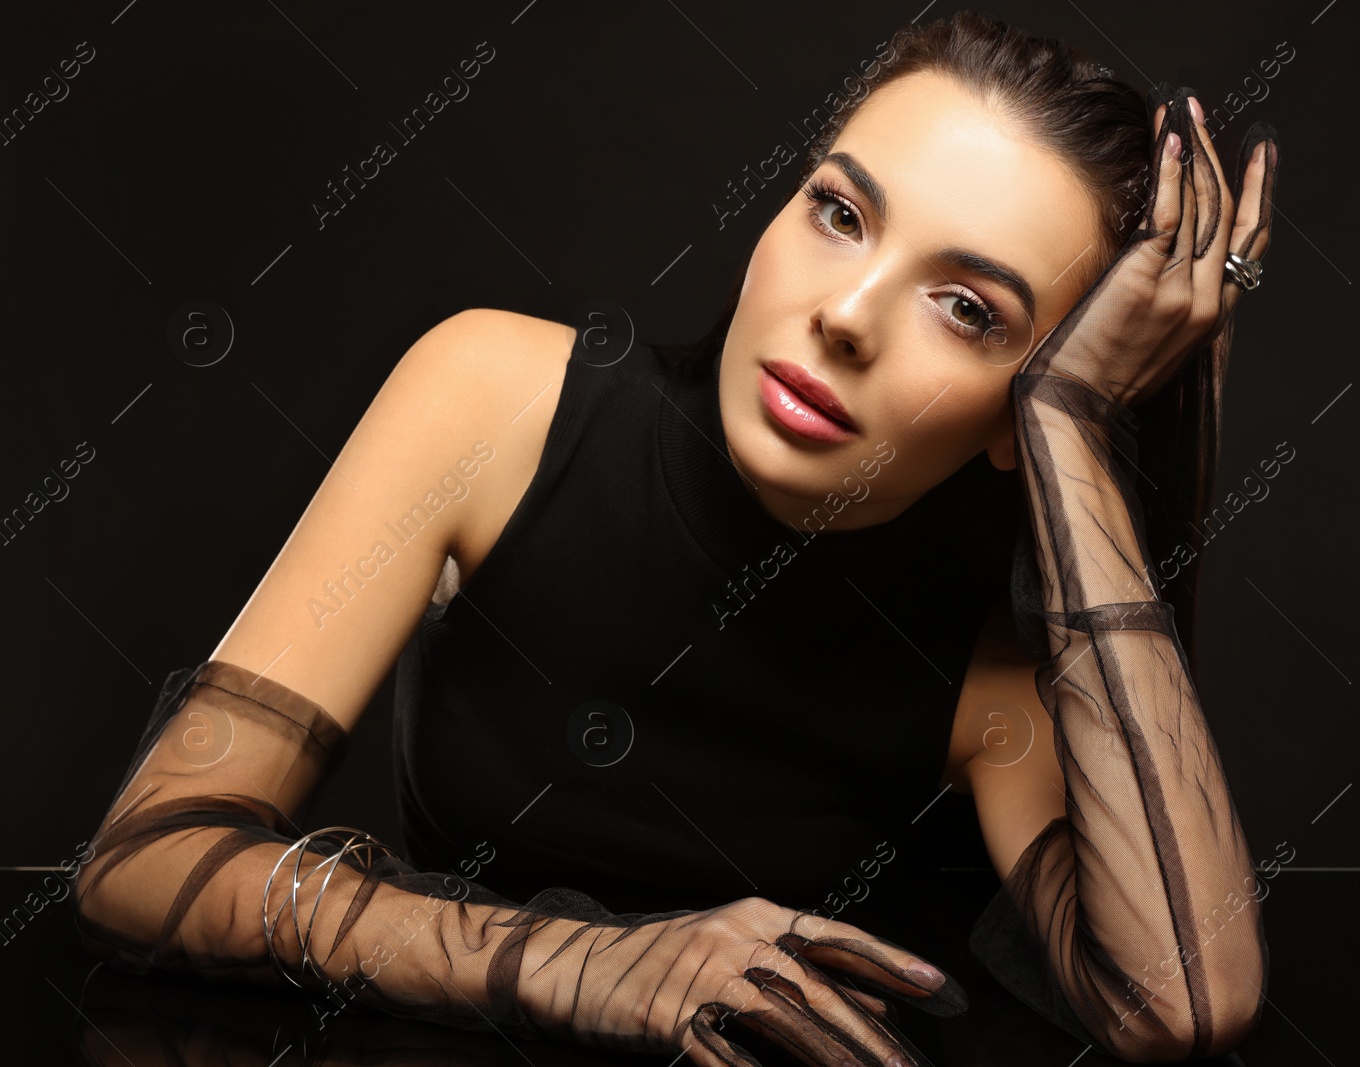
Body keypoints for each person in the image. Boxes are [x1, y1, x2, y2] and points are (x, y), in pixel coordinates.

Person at [70, 10, 1279, 1065]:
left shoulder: (996, 642)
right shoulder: (495, 400)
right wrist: (581, 965)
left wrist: (1073, 431)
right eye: (839, 211)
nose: (844, 316)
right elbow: (142, 858)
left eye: (969, 310)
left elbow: (1181, 999)